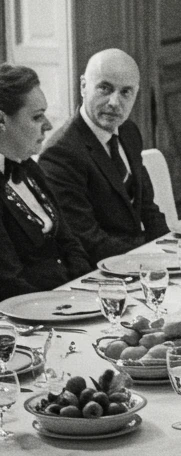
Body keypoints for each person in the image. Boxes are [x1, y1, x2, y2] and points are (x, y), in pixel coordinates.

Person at [39, 49, 168, 267]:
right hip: (99, 272)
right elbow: (88, 241)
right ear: (83, 86)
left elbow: (148, 210)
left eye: (125, 92)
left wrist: (173, 250)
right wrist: (153, 260)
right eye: (105, 88)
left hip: (137, 262)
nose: (114, 102)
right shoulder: (61, 153)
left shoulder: (129, 131)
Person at [1, 64, 91, 299]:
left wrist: (86, 288)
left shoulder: (29, 167)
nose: (49, 125)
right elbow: (9, 282)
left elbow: (70, 242)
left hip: (69, 296)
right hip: (29, 310)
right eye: (37, 116)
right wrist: (65, 304)